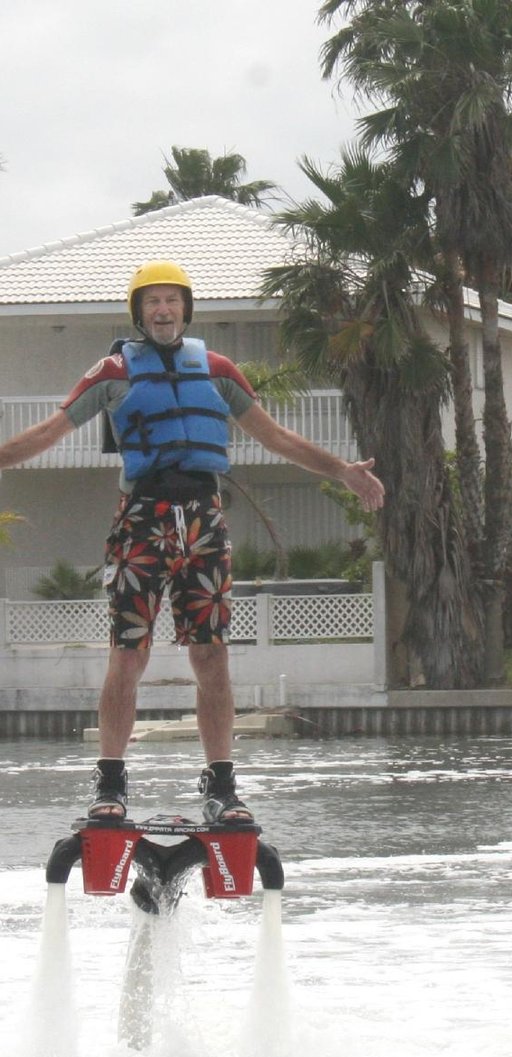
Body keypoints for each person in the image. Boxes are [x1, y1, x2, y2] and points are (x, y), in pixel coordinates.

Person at [0, 261, 384, 824]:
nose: (162, 310)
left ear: (185, 309)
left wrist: (342, 469)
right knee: (128, 654)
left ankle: (222, 786)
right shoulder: (111, 372)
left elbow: (275, 437)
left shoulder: (218, 369)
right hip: (141, 520)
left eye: (171, 301)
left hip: (203, 520)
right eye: (152, 302)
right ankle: (110, 785)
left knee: (212, 655)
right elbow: (49, 433)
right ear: (139, 312)